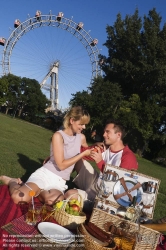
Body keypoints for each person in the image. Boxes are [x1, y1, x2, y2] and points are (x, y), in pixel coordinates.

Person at [0, 106, 93, 205]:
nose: (84, 127)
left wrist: (97, 146)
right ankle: (12, 181)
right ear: (72, 120)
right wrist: (82, 154)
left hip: (60, 181)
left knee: (54, 201)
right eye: (81, 124)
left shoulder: (81, 138)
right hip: (46, 175)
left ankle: (37, 191)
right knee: (18, 197)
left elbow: (89, 153)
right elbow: (61, 165)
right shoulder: (58, 136)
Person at [72, 119, 138, 208]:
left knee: (70, 195)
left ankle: (92, 204)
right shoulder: (104, 147)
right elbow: (81, 153)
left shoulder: (128, 157)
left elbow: (121, 186)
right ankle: (61, 178)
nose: (104, 135)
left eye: (107, 132)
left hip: (106, 196)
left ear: (118, 135)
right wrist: (91, 146)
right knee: (78, 159)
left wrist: (100, 162)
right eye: (104, 132)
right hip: (96, 184)